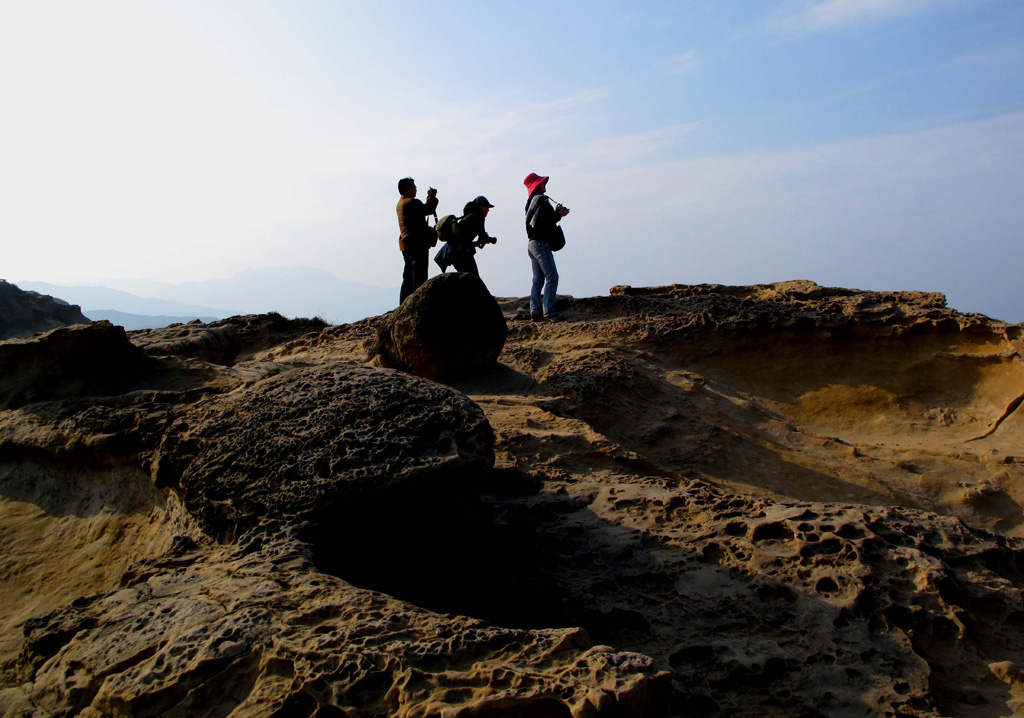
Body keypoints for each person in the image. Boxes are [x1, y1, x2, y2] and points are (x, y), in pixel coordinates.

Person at [524, 172, 569, 321]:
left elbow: (540, 222)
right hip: (541, 244)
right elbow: (548, 221)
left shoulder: (530, 202)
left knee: (538, 279)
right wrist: (559, 215)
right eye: (542, 183)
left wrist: (555, 215)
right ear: (537, 185)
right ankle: (549, 312)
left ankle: (535, 311)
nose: (545, 184)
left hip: (531, 244)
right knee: (552, 276)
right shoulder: (542, 201)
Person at [396, 177, 439, 304]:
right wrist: (432, 197)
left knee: (408, 277)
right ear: (408, 189)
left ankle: (404, 304)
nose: (416, 189)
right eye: (414, 186)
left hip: (406, 244)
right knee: (419, 276)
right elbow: (428, 209)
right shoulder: (412, 202)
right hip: (417, 244)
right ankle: (417, 303)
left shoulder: (401, 203)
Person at [441, 196, 497, 275]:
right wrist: (488, 239)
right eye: (487, 207)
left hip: (453, 251)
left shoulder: (471, 216)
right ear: (481, 206)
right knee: (472, 279)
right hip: (459, 251)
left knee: (468, 279)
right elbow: (482, 236)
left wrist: (483, 240)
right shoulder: (479, 216)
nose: (488, 210)